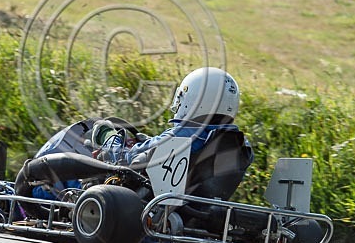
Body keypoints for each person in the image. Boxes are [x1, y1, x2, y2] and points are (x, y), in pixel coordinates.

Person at [92, 67, 254, 168]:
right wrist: (148, 141)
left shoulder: (184, 135)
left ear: (197, 99)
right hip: (202, 207)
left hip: (155, 203)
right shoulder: (241, 145)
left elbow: (125, 158)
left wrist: (109, 137)